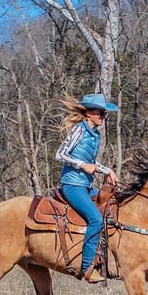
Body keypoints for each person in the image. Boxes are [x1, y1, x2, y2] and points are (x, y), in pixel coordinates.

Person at [55, 93, 119, 283]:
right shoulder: (79, 130)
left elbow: (91, 162)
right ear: (89, 113)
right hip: (72, 185)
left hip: (86, 186)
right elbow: (60, 155)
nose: (103, 117)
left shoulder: (95, 134)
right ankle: (87, 268)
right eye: (100, 113)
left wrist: (107, 170)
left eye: (105, 114)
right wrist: (81, 165)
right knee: (96, 218)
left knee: (111, 208)